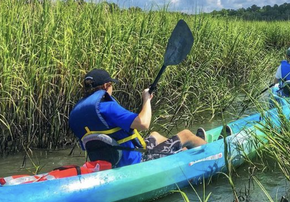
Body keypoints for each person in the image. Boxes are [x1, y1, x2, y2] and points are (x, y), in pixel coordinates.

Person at [69, 68, 206, 168]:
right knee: (186, 134)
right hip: (135, 162)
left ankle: (181, 151)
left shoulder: (79, 112)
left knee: (155, 135)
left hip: (110, 163)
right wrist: (146, 99)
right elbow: (143, 123)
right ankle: (211, 152)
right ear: (106, 86)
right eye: (111, 85)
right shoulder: (108, 107)